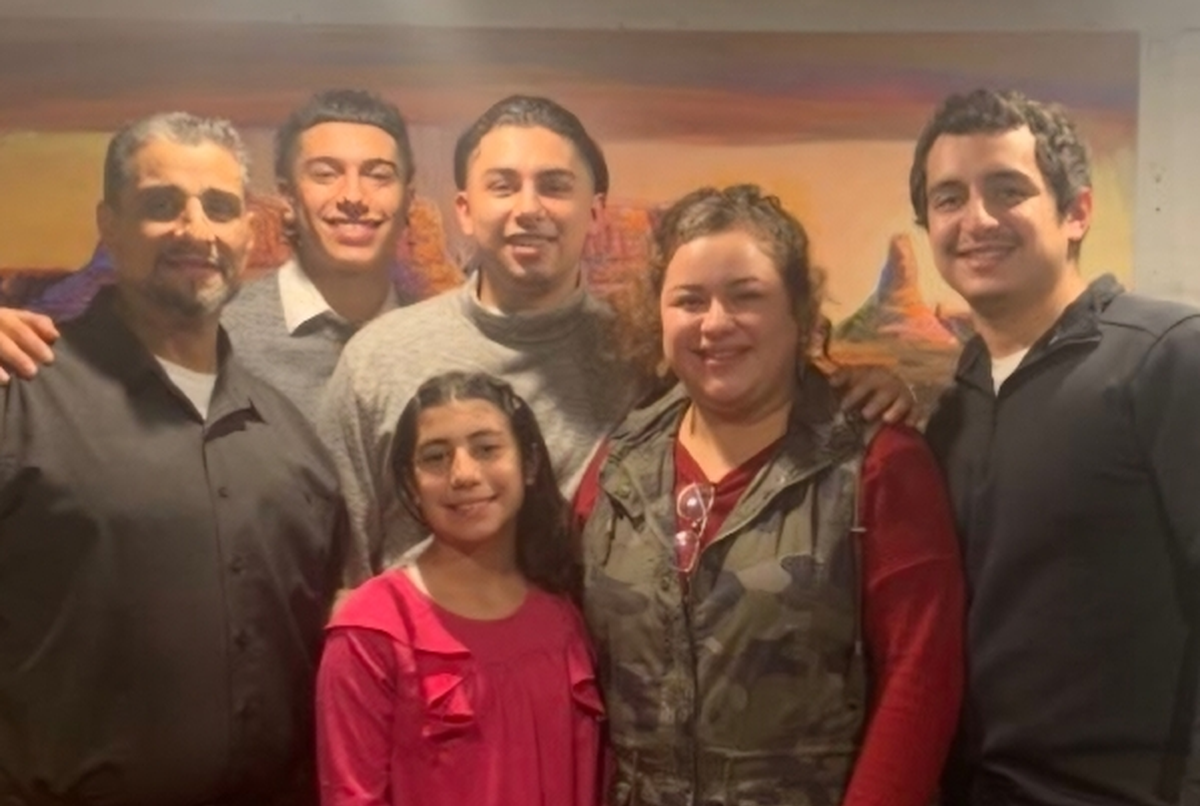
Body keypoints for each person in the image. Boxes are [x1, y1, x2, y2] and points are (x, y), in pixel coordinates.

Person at [321, 94, 917, 588]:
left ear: (595, 213)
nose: (529, 208)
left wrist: (865, 387)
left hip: (587, 678)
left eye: (555, 186)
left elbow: (756, 383)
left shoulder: (648, 355)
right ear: (464, 210)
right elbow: (343, 569)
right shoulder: (377, 360)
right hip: (419, 676)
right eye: (503, 186)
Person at [577, 184, 965, 806]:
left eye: (746, 296)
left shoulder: (877, 464)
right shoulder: (620, 465)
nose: (714, 323)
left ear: (799, 314)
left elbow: (921, 686)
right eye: (689, 300)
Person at [0, 112, 344, 806]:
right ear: (109, 225)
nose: (195, 229)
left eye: (219, 207)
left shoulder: (292, 444)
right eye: (162, 204)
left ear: (249, 232)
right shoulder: (20, 396)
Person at [915, 89, 1200, 806]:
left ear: (1076, 212)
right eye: (949, 198)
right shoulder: (960, 399)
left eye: (1007, 190)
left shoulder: (1165, 358)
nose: (977, 218)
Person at [316, 371, 609, 806]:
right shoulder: (372, 630)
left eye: (487, 448)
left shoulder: (563, 620)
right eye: (436, 457)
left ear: (529, 464)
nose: (464, 474)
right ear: (410, 483)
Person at [0, 88, 415, 422]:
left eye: (378, 175)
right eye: (325, 174)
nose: (353, 196)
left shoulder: (436, 338)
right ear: (286, 198)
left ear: (408, 199)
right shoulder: (204, 329)